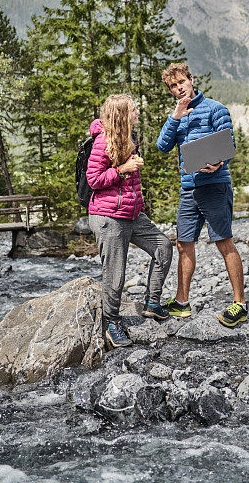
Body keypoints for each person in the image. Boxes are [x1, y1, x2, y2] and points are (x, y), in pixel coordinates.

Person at [156, 62, 247, 327]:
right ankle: (182, 303)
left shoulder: (215, 109)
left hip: (215, 185)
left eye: (181, 82)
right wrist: (176, 116)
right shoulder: (177, 115)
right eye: (173, 86)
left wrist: (219, 162)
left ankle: (239, 303)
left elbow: (228, 144)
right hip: (189, 189)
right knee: (184, 243)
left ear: (191, 80)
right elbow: (162, 146)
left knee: (223, 242)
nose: (178, 88)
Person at [87, 94, 173, 348]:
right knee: (115, 274)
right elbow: (94, 180)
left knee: (163, 247)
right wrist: (121, 169)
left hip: (132, 214)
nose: (138, 112)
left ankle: (152, 303)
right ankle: (111, 324)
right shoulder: (103, 141)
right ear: (123, 115)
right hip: (108, 217)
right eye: (134, 109)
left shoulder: (130, 139)